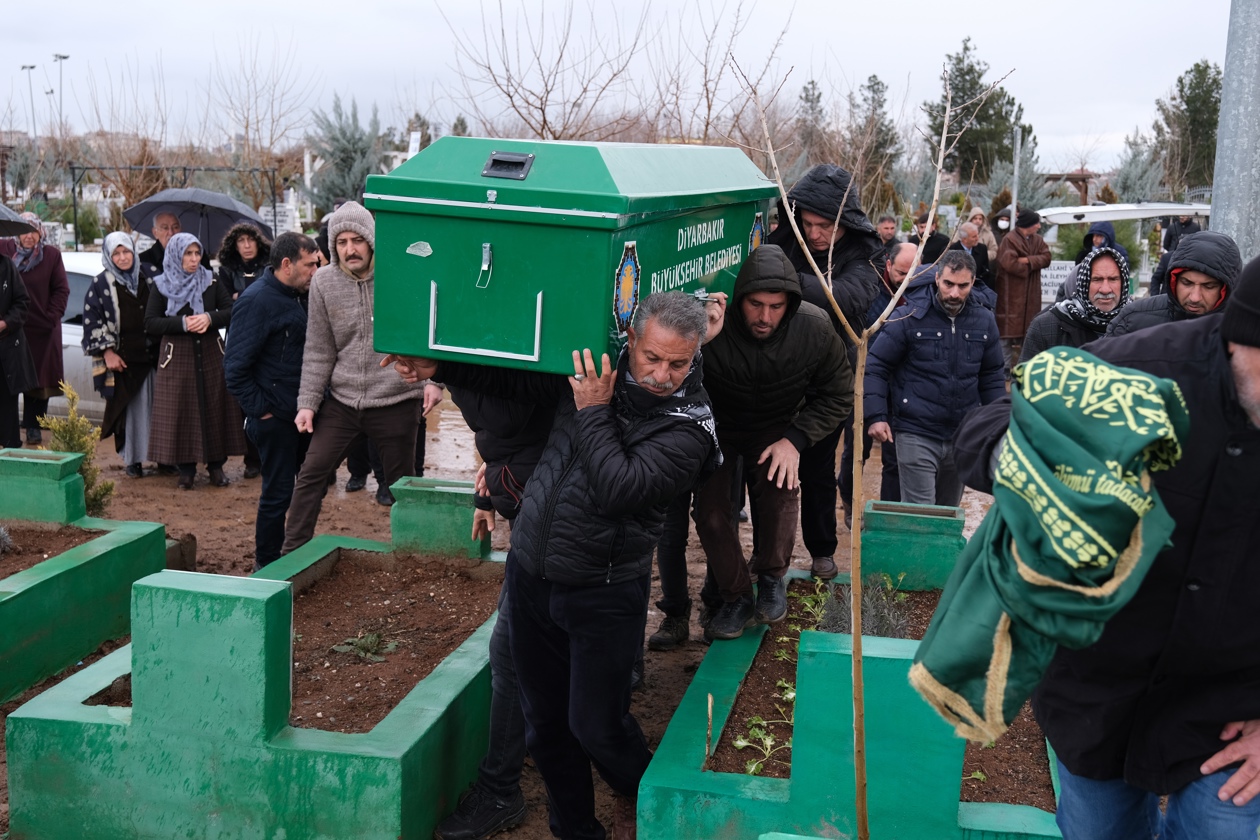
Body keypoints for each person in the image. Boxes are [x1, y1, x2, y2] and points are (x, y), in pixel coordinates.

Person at [390, 290, 721, 840]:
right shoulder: (595, 367)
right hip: (531, 572)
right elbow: (520, 382)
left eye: (678, 363)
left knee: (596, 726)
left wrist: (593, 409)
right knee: (545, 728)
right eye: (652, 358)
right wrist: (441, 366)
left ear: (695, 355)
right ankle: (576, 830)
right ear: (630, 340)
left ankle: (649, 801)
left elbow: (619, 487)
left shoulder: (691, 425)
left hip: (604, 590)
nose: (663, 375)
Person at [950, 254, 1260, 840]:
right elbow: (988, 424)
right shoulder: (1141, 370)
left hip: (1233, 709)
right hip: (1098, 689)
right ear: (1242, 336)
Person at [695, 245, 852, 638]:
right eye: (755, 304)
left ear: (791, 304)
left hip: (775, 425)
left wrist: (795, 440)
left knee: (781, 491)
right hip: (716, 426)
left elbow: (839, 393)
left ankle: (770, 577)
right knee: (712, 512)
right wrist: (699, 341)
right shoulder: (712, 323)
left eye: (776, 306)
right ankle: (734, 597)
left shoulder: (815, 328)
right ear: (740, 298)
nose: (765, 317)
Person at [432, 385, 554, 840]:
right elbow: (500, 440)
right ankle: (505, 780)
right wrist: (487, 495)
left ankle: (503, 789)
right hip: (536, 524)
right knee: (511, 653)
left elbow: (509, 424)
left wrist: (444, 370)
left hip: (571, 533)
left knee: (517, 654)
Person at [281, 201, 425, 554]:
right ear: (332, 246)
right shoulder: (324, 284)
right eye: (341, 242)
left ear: (370, 240)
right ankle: (290, 554)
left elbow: (426, 333)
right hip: (342, 403)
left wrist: (433, 383)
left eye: (356, 240)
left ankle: (415, 555)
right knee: (312, 473)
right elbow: (318, 348)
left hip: (396, 399)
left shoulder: (399, 274)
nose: (349, 249)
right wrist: (307, 404)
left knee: (403, 488)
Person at [764, 164, 880, 578]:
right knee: (770, 474)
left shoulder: (861, 257)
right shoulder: (788, 240)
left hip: (829, 382)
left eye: (825, 226)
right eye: (807, 223)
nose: (814, 235)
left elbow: (845, 299)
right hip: (775, 375)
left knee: (817, 472)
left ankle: (822, 550)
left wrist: (782, 280)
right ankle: (769, 562)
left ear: (845, 223)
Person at [865, 249, 1004, 507]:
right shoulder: (909, 316)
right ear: (937, 278)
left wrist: (999, 424)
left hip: (962, 435)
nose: (954, 293)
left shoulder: (984, 321)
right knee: (923, 517)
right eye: (948, 284)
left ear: (973, 282)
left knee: (948, 516)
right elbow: (876, 365)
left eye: (963, 286)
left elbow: (992, 377)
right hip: (915, 431)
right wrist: (876, 416)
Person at [222, 232, 320, 569]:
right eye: (310, 264)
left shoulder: (300, 295)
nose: (315, 270)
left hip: (302, 412)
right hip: (274, 418)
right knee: (277, 494)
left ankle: (295, 555)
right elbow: (234, 369)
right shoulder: (256, 301)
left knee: (305, 490)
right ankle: (266, 565)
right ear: (287, 264)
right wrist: (262, 411)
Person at [145, 233, 247, 489]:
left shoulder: (210, 280)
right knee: (182, 410)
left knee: (214, 408)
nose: (193, 259)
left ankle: (216, 467)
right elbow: (150, 322)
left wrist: (209, 318)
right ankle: (186, 470)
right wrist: (182, 323)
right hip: (176, 357)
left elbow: (231, 310)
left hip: (212, 354)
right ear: (175, 256)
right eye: (187, 254)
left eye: (196, 253)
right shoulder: (160, 284)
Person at [838, 242, 916, 527]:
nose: (906, 280)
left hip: (901, 388)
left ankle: (887, 516)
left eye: (913, 274)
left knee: (894, 457)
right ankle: (848, 499)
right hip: (861, 382)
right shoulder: (868, 293)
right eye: (901, 273)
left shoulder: (919, 295)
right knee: (856, 450)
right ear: (888, 265)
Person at [82, 232, 157, 477]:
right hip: (124, 361)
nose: (123, 257)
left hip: (155, 357)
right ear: (109, 256)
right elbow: (92, 322)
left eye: (126, 252)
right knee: (130, 413)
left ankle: (165, 459)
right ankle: (132, 460)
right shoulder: (101, 284)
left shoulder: (149, 276)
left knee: (160, 410)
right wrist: (108, 353)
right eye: (117, 253)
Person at [0, 213, 68, 445]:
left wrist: (51, 317)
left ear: (41, 231)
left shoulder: (51, 256)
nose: (29, 236)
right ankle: (9, 430)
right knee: (9, 380)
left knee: (39, 381)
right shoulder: (4, 250)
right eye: (24, 230)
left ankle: (33, 426)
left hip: (42, 330)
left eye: (34, 231)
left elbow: (61, 290)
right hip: (11, 329)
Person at [1108, 231, 1241, 338]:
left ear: (1225, 289)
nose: (1195, 297)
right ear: (1174, 280)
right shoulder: (1132, 321)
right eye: (1187, 283)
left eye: (1208, 286)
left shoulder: (1245, 333)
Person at [1020, 247, 1130, 362]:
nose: (1105, 289)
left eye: (1113, 279)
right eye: (1097, 279)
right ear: (1084, 283)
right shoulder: (1045, 327)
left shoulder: (1138, 324)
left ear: (1123, 283)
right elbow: (1026, 377)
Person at [994, 209, 1051, 371]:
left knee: (1028, 334)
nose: (1039, 226)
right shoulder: (1010, 240)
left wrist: (1027, 260)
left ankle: (1024, 368)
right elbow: (1008, 263)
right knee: (1006, 335)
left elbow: (1047, 258)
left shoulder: (1038, 240)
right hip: (1011, 294)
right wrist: (1029, 267)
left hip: (1031, 295)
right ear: (1028, 225)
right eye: (1036, 223)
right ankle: (1004, 369)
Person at [0, 253, 39, 448]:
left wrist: (5, 322)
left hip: (6, 354)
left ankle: (9, 461)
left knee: (8, 413)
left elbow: (23, 302)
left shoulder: (6, 266)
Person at [217, 223, 272, 300]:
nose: (247, 245)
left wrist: (238, 295)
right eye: (241, 240)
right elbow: (226, 302)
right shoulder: (227, 271)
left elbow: (273, 294)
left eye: (251, 239)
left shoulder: (270, 268)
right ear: (235, 246)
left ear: (258, 243)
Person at [949, 221, 993, 287]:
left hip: (978, 288)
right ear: (964, 239)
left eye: (977, 235)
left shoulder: (982, 249)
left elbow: (986, 272)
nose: (977, 238)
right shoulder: (952, 251)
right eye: (974, 237)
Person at [138, 212, 181, 278]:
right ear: (155, 233)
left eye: (175, 227)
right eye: (165, 228)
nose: (171, 233)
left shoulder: (195, 256)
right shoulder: (142, 261)